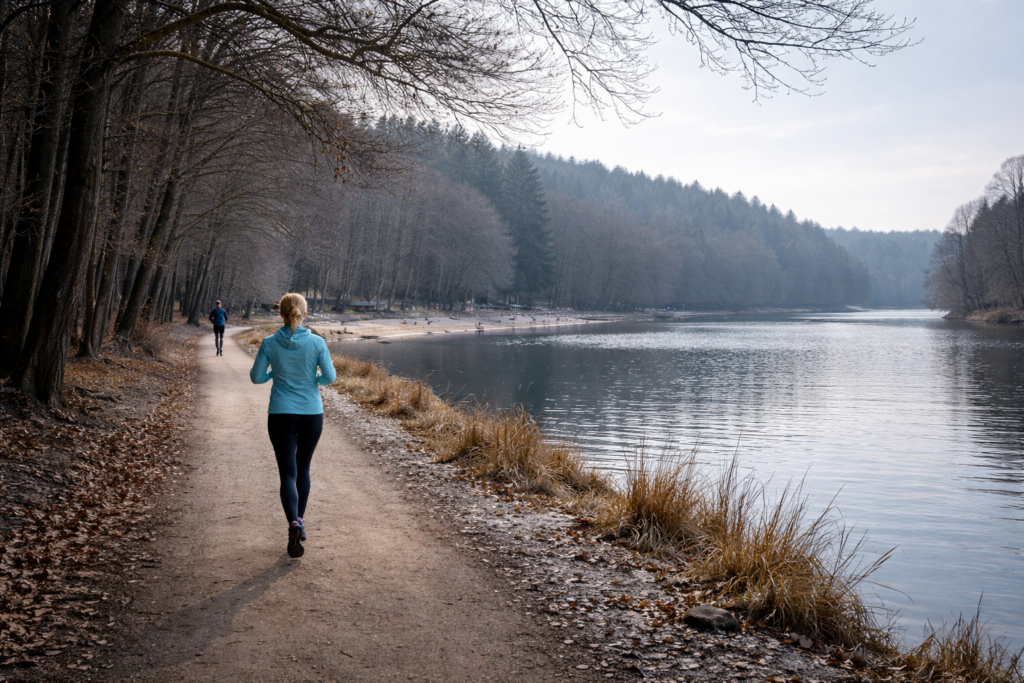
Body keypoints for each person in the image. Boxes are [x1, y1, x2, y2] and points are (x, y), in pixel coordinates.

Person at [249, 293, 336, 558]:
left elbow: (256, 378)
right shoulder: (317, 342)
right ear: (304, 314)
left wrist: (275, 372)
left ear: (281, 314)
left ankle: (293, 523)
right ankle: (300, 520)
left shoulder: (268, 343)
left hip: (280, 414)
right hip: (311, 413)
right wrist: (313, 379)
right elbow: (329, 378)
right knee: (304, 468)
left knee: (288, 473)